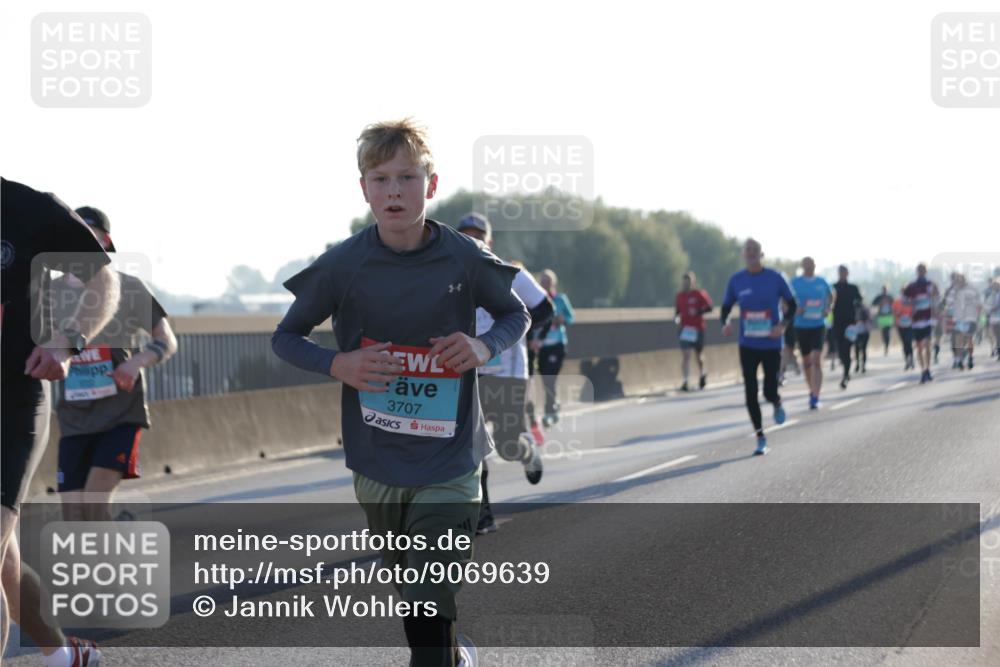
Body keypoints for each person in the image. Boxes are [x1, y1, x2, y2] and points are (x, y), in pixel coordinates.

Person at [271, 120, 529, 667]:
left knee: (427, 595)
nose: (394, 191)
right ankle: (452, 652)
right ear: (363, 188)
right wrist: (338, 362)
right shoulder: (343, 264)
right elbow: (285, 337)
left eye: (407, 177)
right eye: (381, 178)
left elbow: (516, 313)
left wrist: (483, 348)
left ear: (430, 186)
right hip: (377, 461)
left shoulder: (462, 255)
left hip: (451, 458)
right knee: (417, 593)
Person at [2, 178, 120, 666]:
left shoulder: (28, 209)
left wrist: (67, 340)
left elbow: (103, 281)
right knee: (4, 556)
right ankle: (60, 654)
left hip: (10, 399)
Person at [55, 206, 177, 520]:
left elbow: (167, 339)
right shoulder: (48, 294)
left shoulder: (129, 287)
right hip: (73, 419)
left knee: (95, 504)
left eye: (88, 235)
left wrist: (136, 362)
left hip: (121, 415)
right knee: (73, 515)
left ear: (105, 240)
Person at [455, 213, 553, 536]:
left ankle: (528, 451)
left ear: (490, 241)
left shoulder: (510, 272)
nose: (474, 240)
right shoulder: (451, 276)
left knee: (508, 445)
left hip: (509, 369)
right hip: (471, 370)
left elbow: (544, 309)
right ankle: (483, 514)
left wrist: (514, 333)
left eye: (479, 235)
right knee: (473, 445)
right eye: (467, 235)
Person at [720, 238, 796, 455]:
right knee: (750, 392)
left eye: (756, 250)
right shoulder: (736, 280)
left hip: (771, 343)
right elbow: (726, 307)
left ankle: (777, 401)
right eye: (748, 250)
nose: (752, 253)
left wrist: (782, 325)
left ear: (762, 255)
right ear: (743, 255)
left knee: (769, 390)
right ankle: (761, 437)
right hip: (748, 343)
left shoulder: (775, 277)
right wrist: (724, 323)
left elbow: (793, 305)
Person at [533, 269, 574, 427]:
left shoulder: (561, 299)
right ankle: (554, 403)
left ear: (553, 283)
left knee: (550, 378)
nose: (545, 284)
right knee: (546, 379)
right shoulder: (537, 300)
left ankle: (549, 411)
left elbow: (571, 317)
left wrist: (562, 319)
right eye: (542, 281)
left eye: (547, 282)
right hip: (541, 345)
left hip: (557, 344)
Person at [791, 257, 832, 410]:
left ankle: (816, 394)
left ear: (815, 266)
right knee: (807, 361)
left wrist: (828, 308)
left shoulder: (822, 282)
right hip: (801, 325)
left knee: (816, 359)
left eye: (811, 264)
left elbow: (831, 296)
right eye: (806, 264)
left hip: (818, 324)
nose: (809, 267)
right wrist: (795, 309)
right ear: (802, 266)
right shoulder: (795, 282)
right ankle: (811, 390)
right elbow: (785, 299)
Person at [674, 271, 713, 391]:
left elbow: (710, 307)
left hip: (697, 328)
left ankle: (702, 373)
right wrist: (677, 317)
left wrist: (697, 312)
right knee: (686, 355)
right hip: (685, 329)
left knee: (698, 355)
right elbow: (677, 311)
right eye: (685, 282)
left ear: (693, 282)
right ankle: (685, 381)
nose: (686, 284)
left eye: (689, 282)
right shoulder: (679, 296)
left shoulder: (699, 294)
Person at [904, 263, 939, 383]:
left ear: (926, 271)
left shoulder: (930, 284)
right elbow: (904, 300)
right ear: (917, 272)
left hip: (928, 319)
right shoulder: (911, 286)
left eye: (923, 270)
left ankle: (928, 368)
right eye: (919, 270)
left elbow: (937, 297)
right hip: (916, 321)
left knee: (928, 344)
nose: (921, 272)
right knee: (919, 348)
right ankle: (923, 370)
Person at [831, 265, 862, 389]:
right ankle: (846, 370)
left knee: (847, 347)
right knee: (841, 351)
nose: (843, 274)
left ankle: (845, 375)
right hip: (837, 323)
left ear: (847, 273)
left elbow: (860, 302)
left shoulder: (853, 288)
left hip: (850, 324)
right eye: (841, 272)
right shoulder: (834, 288)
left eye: (845, 272)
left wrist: (858, 312)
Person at [945, 273, 982, 370]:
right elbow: (949, 304)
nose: (959, 282)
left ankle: (970, 357)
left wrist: (978, 316)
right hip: (958, 319)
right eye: (958, 280)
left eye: (961, 280)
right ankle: (960, 360)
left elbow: (979, 304)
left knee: (969, 338)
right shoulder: (953, 291)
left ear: (965, 280)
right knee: (958, 339)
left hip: (971, 318)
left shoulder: (972, 290)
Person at [893, 287, 915, 370]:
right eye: (902, 292)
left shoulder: (911, 302)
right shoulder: (897, 302)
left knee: (908, 342)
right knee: (904, 344)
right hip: (900, 325)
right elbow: (894, 312)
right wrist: (898, 313)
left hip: (909, 325)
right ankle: (907, 361)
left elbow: (913, 312)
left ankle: (911, 359)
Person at [872, 285, 895, 355]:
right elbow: (873, 303)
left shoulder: (890, 297)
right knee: (883, 332)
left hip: (888, 316)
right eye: (883, 289)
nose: (884, 291)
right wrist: (880, 303)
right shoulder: (879, 297)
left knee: (887, 331)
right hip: (881, 316)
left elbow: (894, 304)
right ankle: (885, 344)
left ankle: (886, 347)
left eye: (885, 289)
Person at [853, 301, 872, 374]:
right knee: (858, 349)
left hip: (864, 331)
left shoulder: (865, 309)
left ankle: (862, 365)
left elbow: (869, 319)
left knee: (862, 349)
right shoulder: (853, 309)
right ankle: (858, 364)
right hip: (857, 332)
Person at [985, 278, 1000, 359]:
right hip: (994, 319)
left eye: (997, 285)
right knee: (996, 336)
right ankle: (998, 351)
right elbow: (987, 305)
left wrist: (994, 308)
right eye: (994, 286)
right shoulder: (991, 295)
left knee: (998, 336)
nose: (995, 287)